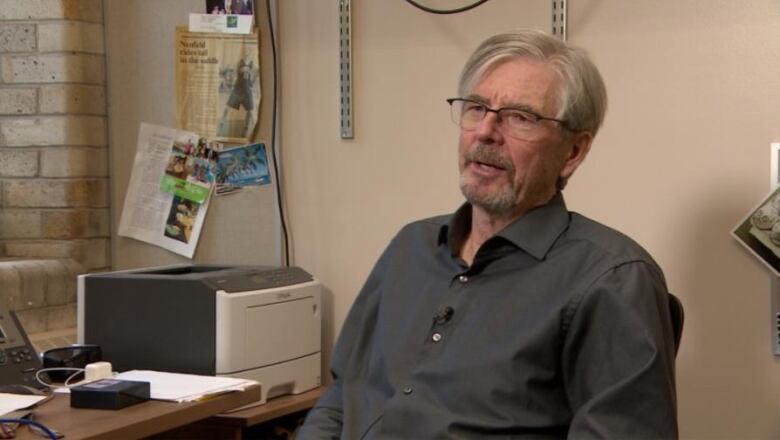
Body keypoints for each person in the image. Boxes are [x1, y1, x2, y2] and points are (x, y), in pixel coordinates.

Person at [298, 30, 678, 439]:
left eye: (520, 117)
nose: (486, 131)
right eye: (477, 108)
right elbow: (342, 396)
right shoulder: (411, 246)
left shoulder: (613, 280)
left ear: (573, 152)